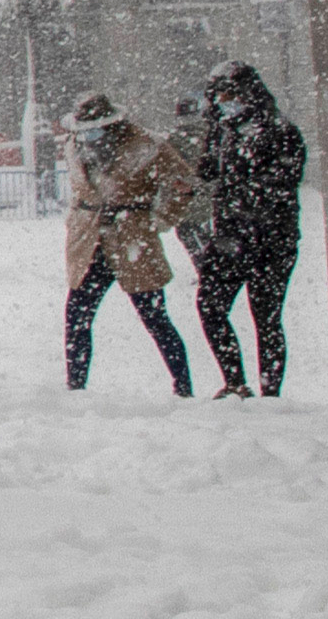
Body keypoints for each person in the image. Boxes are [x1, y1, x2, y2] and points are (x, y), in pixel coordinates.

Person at [60, 88, 201, 398]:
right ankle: (75, 388)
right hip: (90, 242)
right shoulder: (75, 145)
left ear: (112, 124)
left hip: (133, 241)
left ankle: (183, 387)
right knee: (77, 315)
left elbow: (184, 186)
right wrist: (77, 221)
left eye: (94, 128)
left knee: (155, 318)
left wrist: (158, 220)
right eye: (82, 129)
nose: (88, 136)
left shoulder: (147, 145)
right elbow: (81, 190)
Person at [189, 62, 306, 400]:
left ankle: (271, 392)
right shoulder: (223, 130)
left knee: (266, 315)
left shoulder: (281, 131)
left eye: (229, 95)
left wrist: (241, 191)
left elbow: (284, 184)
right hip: (230, 238)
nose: (224, 102)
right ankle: (235, 381)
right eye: (219, 96)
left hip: (272, 240)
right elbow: (210, 170)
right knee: (210, 305)